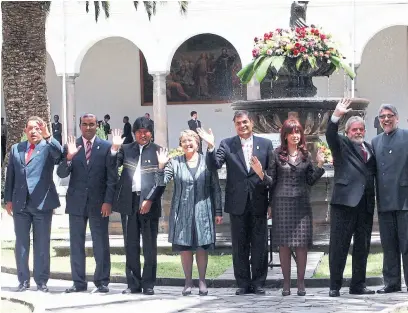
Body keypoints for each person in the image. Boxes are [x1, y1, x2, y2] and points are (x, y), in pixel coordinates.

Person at [198, 110, 273, 295]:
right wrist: (210, 146)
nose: (242, 125)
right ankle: (243, 283)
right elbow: (214, 165)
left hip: (259, 200)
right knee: (239, 245)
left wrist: (270, 200)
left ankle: (259, 283)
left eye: (245, 122)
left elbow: (272, 176)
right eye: (238, 123)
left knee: (259, 244)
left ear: (252, 122)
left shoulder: (265, 144)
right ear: (235, 125)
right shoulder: (227, 144)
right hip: (237, 202)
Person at [251, 118, 325, 296]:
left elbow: (310, 181)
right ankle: (286, 285)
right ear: (284, 135)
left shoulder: (305, 155)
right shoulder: (276, 154)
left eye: (298, 132)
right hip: (281, 204)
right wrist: (261, 173)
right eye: (291, 132)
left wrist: (320, 164)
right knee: (283, 245)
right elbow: (271, 182)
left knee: (301, 245)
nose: (295, 136)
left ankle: (300, 284)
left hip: (301, 204)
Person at [156, 130, 223, 296]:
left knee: (201, 247)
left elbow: (215, 186)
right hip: (182, 211)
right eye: (184, 141)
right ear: (181, 145)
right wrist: (161, 166)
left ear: (197, 143)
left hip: (203, 210)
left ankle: (202, 281)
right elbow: (161, 182)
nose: (188, 143)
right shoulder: (175, 162)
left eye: (191, 140)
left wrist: (218, 210)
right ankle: (188, 282)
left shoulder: (206, 161)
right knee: (185, 248)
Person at [57, 113, 116, 294]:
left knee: (101, 243)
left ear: (96, 125)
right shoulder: (71, 145)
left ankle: (102, 282)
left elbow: (112, 178)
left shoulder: (106, 147)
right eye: (85, 124)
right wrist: (68, 158)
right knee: (76, 244)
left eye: (91, 124)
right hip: (76, 203)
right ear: (80, 126)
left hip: (99, 204)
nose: (88, 127)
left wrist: (108, 201)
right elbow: (61, 173)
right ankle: (78, 282)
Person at [4, 116, 62, 292]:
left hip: (42, 204)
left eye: (37, 128)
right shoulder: (16, 149)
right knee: (21, 243)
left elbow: (59, 155)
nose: (33, 131)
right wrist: (8, 200)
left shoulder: (47, 148)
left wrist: (48, 136)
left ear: (42, 129)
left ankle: (41, 281)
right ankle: (23, 281)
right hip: (21, 204)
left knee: (42, 243)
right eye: (30, 128)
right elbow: (11, 177)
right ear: (25, 131)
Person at [325, 99, 377, 297]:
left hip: (365, 205)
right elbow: (330, 134)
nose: (358, 132)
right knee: (338, 245)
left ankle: (358, 285)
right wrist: (336, 115)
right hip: (344, 204)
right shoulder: (342, 144)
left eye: (361, 129)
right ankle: (334, 286)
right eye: (354, 130)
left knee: (362, 247)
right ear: (347, 133)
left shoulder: (370, 149)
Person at [111, 117, 164, 296]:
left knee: (150, 245)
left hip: (150, 202)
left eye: (146, 131)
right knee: (131, 244)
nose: (143, 134)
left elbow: (161, 181)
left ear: (151, 133)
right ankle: (133, 283)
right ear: (134, 133)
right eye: (139, 131)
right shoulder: (126, 149)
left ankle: (148, 284)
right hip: (129, 201)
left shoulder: (158, 151)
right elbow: (111, 168)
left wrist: (149, 200)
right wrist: (114, 148)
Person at [372, 103, 408, 294]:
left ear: (397, 118)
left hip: (405, 201)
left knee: (407, 244)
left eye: (389, 115)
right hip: (384, 201)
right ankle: (392, 282)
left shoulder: (407, 136)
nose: (386, 119)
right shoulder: (375, 141)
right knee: (389, 244)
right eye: (382, 116)